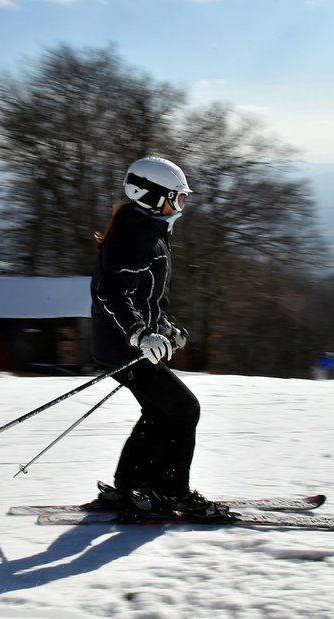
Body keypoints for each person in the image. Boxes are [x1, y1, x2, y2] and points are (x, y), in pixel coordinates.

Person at [86, 156, 229, 519]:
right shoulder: (135, 237)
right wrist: (139, 335)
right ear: (151, 197)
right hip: (125, 349)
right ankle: (173, 492)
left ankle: (131, 487)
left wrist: (164, 329)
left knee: (159, 411)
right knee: (184, 409)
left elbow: (145, 297)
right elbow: (112, 293)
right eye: (177, 198)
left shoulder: (147, 232)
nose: (181, 206)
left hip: (126, 347)